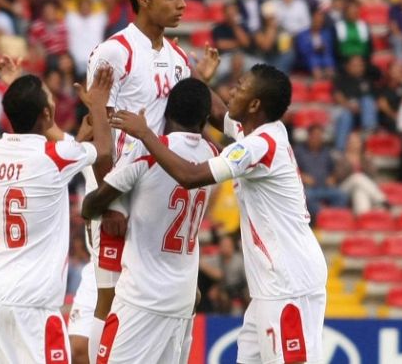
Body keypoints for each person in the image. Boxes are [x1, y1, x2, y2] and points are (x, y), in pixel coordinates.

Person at [111, 63, 328, 364]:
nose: (230, 92)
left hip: (290, 284)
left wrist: (145, 134)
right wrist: (195, 75)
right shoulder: (255, 131)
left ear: (254, 104)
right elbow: (216, 113)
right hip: (270, 286)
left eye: (239, 88)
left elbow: (190, 175)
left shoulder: (258, 146)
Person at [74, 0, 219, 363]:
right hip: (119, 188)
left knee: (166, 297)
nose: (182, 4)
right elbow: (101, 123)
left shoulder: (177, 57)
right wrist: (112, 202)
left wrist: (202, 83)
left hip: (157, 190)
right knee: (111, 293)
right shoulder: (113, 53)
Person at [0, 65, 114, 363]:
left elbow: (65, 148)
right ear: (47, 115)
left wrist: (20, 90)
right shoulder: (53, 157)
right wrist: (99, 105)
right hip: (33, 304)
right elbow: (103, 152)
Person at [81, 78, 217, 363]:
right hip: (182, 300)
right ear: (205, 119)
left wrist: (111, 202)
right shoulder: (213, 156)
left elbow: (91, 206)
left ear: (165, 112)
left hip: (141, 299)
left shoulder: (148, 151)